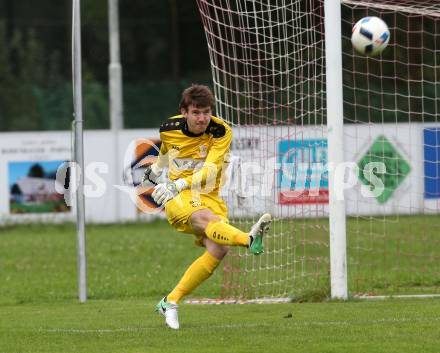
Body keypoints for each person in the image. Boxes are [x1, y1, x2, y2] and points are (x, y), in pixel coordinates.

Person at [142, 84, 271, 330]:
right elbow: (167, 150)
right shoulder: (169, 128)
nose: (202, 118)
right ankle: (248, 239)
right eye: (196, 112)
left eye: (206, 112)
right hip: (179, 198)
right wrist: (157, 170)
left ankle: (170, 301)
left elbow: (210, 169)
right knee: (206, 219)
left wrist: (177, 183)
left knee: (218, 250)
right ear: (184, 112)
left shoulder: (221, 130)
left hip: (208, 195)